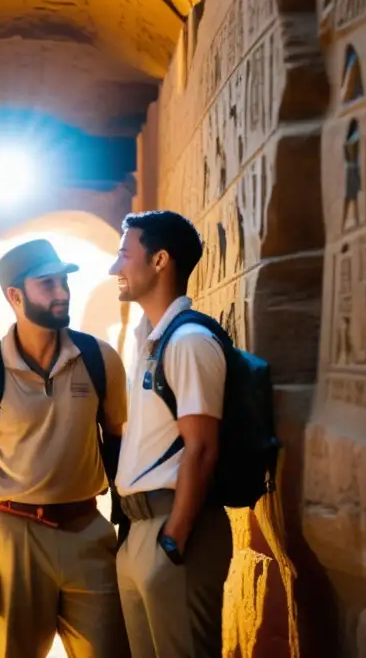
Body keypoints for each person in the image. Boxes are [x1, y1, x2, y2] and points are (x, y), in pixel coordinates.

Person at [0, 239, 128, 658]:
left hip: (88, 530)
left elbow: (118, 440)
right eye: (47, 284)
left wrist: (131, 526)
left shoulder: (99, 359)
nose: (62, 292)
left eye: (63, 281)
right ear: (15, 296)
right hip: (14, 538)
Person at [111, 210, 232, 658]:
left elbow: (201, 449)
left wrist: (173, 541)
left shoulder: (189, 342)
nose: (115, 267)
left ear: (160, 260)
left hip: (175, 531)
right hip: (141, 532)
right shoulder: (150, 341)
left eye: (124, 254)